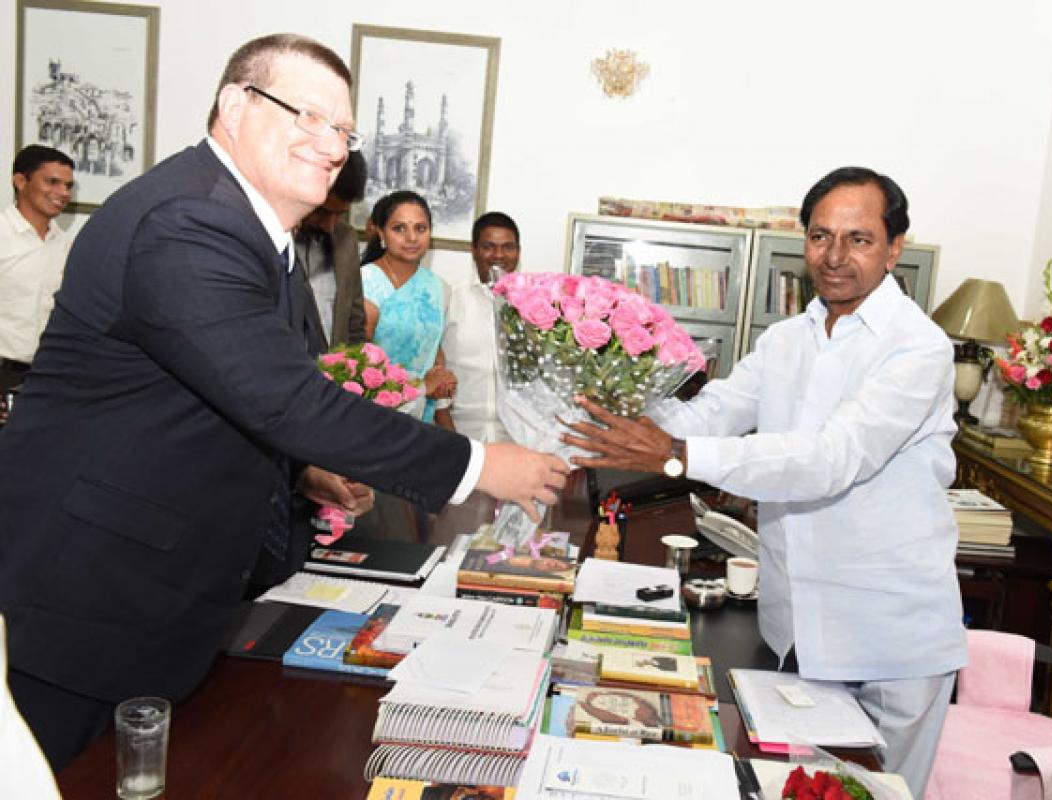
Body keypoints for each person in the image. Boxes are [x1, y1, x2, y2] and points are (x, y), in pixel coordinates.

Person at [0, 33, 567, 770]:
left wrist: (303, 473)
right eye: (306, 115)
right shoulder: (189, 219)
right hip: (91, 593)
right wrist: (480, 465)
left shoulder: (259, 232)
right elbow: (289, 400)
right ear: (235, 106)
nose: (329, 143)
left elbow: (220, 389)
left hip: (171, 589)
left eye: (342, 129)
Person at [563, 166, 965, 797]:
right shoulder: (787, 339)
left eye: (858, 239)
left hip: (888, 637)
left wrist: (672, 453)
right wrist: (617, 399)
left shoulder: (918, 348)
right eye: (820, 236)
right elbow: (709, 413)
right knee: (793, 786)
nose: (834, 256)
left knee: (878, 795)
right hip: (797, 627)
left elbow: (830, 459)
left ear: (894, 248)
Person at [361, 190, 456, 425]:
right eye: (399, 228)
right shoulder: (364, 282)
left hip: (422, 418)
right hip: (373, 417)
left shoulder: (437, 287)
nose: (411, 237)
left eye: (420, 228)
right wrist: (422, 387)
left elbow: (432, 347)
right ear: (381, 233)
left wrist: (441, 376)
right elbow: (358, 365)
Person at [437, 211, 521, 439]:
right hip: (460, 435)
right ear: (473, 251)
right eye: (488, 246)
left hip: (517, 440)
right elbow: (435, 368)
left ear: (518, 252)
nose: (498, 255)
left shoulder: (535, 307)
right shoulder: (450, 298)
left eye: (508, 247)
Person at [0, 145, 75, 394]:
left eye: (67, 185)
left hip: (48, 377)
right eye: (52, 182)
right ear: (21, 181)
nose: (62, 193)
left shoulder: (64, 244)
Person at [295, 149, 368, 349]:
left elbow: (354, 324)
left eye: (340, 215)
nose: (329, 225)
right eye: (322, 212)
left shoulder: (347, 240)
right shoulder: (273, 240)